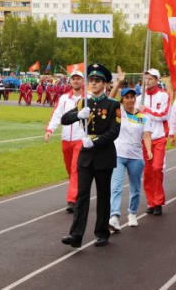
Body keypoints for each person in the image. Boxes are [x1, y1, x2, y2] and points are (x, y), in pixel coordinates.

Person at [61, 63, 121, 248]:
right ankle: (76, 234)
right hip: (86, 157)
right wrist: (78, 115)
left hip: (103, 155)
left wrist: (94, 141)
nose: (93, 83)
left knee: (103, 195)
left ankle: (101, 232)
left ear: (105, 84)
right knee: (82, 196)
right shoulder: (82, 103)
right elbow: (64, 119)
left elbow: (114, 132)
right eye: (92, 80)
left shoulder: (112, 105)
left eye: (98, 81)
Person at [108, 80, 153, 230]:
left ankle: (132, 213)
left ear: (135, 99)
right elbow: (109, 99)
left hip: (136, 157)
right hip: (118, 155)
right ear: (122, 100)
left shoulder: (142, 116)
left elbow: (146, 135)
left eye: (132, 97)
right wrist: (118, 83)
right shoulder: (118, 112)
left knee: (135, 187)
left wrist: (149, 150)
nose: (130, 100)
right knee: (116, 186)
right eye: (126, 97)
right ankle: (114, 216)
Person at [45, 71, 85, 213]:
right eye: (73, 79)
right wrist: (50, 130)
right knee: (70, 169)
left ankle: (72, 200)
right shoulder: (64, 99)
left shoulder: (88, 99)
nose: (76, 81)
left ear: (82, 81)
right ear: (70, 81)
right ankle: (77, 190)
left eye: (78, 79)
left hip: (81, 139)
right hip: (66, 139)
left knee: (75, 168)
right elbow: (56, 115)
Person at [136, 68, 170, 216]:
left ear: (157, 80)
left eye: (151, 79)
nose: (148, 81)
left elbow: (163, 115)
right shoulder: (139, 98)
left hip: (159, 138)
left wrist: (147, 111)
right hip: (144, 140)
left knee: (157, 168)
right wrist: (138, 116)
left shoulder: (164, 96)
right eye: (146, 79)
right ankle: (151, 202)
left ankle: (159, 200)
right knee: (148, 172)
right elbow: (134, 119)